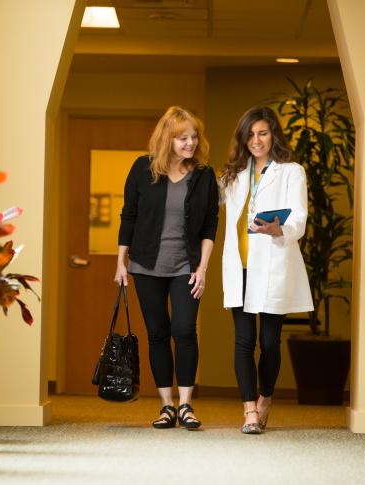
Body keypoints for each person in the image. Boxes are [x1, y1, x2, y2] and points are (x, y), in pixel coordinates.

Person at [115, 106, 219, 430]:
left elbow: (210, 224)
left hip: (186, 266)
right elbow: (128, 215)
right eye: (182, 138)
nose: (190, 143)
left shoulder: (204, 175)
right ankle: (167, 406)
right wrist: (121, 261)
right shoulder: (142, 169)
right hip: (146, 265)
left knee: (185, 331)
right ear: (167, 139)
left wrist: (202, 267)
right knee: (158, 334)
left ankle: (186, 405)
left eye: (193, 137)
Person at [220, 106, 313, 434]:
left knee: (270, 342)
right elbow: (206, 200)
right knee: (243, 340)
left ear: (274, 134)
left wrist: (279, 230)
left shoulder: (291, 171)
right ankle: (249, 411)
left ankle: (265, 399)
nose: (256, 140)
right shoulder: (234, 173)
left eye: (262, 133)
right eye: (250, 134)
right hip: (240, 267)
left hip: (273, 263)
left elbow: (299, 218)